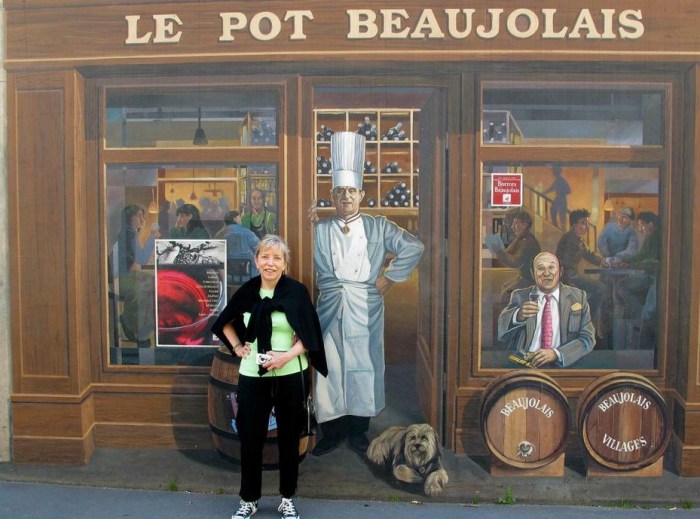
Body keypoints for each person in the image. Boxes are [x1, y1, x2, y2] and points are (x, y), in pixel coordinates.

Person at [310, 132, 425, 457]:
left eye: (351, 191)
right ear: (332, 195)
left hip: (365, 306)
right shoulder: (319, 229)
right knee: (330, 366)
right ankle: (331, 432)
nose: (346, 196)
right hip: (330, 306)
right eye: (340, 191)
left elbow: (414, 247)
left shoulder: (379, 226)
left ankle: (358, 430)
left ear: (361, 194)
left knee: (363, 365)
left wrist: (390, 277)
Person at [210, 235, 327, 519]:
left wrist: (284, 357)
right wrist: (237, 347)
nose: (270, 263)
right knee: (250, 438)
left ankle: (287, 498)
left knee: (289, 437)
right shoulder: (247, 292)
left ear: (285, 263)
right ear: (256, 261)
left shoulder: (296, 293)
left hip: (290, 373)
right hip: (253, 375)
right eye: (265, 257)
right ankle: (248, 500)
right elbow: (224, 322)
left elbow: (310, 335)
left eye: (277, 258)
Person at [497, 252, 595, 367]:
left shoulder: (578, 297)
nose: (546, 273)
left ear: (560, 271)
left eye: (551, 267)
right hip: (526, 363)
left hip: (564, 363)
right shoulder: (520, 296)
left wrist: (557, 353)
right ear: (533, 273)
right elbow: (502, 333)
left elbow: (588, 338)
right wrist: (518, 316)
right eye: (540, 268)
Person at [116, 204, 159, 348]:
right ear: (129, 218)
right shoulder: (129, 234)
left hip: (126, 275)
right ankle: (134, 326)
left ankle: (143, 330)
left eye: (143, 216)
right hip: (122, 278)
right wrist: (152, 238)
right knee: (152, 287)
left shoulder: (129, 233)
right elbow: (142, 259)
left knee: (154, 285)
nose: (142, 219)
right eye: (139, 216)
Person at [555, 208, 607, 319]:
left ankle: (586, 316)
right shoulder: (570, 240)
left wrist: (602, 262)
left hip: (571, 276)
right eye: (583, 223)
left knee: (600, 288)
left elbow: (589, 254)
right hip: (567, 278)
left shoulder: (578, 239)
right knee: (600, 288)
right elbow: (565, 264)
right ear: (574, 225)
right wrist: (570, 284)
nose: (587, 227)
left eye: (587, 223)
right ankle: (586, 317)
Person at [613, 211, 661, 321]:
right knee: (621, 284)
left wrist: (630, 265)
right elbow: (641, 255)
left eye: (642, 226)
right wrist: (623, 260)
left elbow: (652, 262)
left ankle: (638, 316)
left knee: (622, 286)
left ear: (651, 225)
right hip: (649, 275)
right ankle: (635, 315)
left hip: (654, 277)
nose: (640, 229)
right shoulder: (650, 237)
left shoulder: (659, 239)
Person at [488, 209, 541, 298]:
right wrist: (498, 249)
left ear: (524, 225)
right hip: (525, 276)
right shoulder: (521, 238)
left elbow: (515, 262)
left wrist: (498, 251)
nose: (512, 227)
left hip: (530, 279)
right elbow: (509, 251)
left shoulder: (527, 242)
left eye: (516, 223)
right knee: (505, 288)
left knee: (506, 295)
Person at [215, 210, 260, 278]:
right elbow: (259, 247)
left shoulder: (219, 235)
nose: (241, 219)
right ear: (235, 218)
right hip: (248, 275)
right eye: (239, 217)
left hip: (227, 276)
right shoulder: (247, 232)